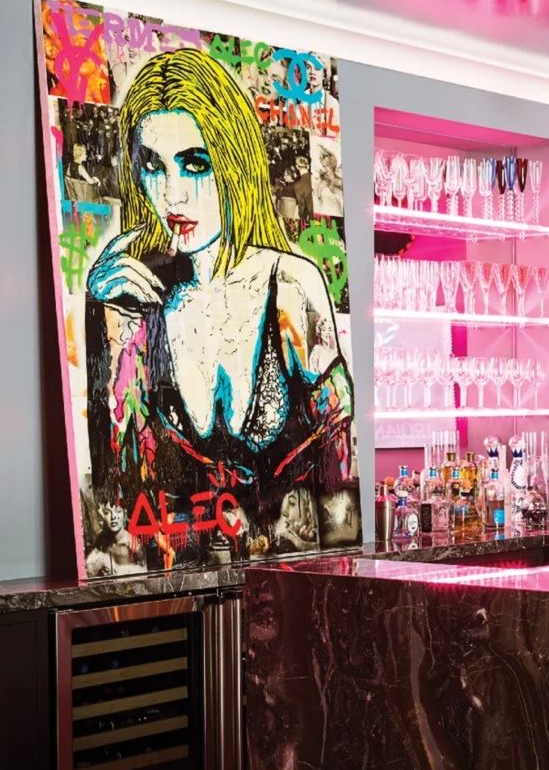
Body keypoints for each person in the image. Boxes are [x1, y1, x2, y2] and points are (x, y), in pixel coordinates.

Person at [84, 46, 356, 572]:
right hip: (178, 599)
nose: (173, 194)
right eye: (153, 167)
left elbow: (340, 490)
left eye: (195, 164)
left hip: (298, 587)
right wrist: (104, 316)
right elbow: (116, 511)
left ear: (233, 164)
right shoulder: (136, 305)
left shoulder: (291, 286)